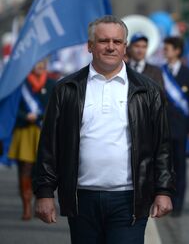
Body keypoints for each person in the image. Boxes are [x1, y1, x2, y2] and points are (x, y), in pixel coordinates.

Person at [34, 15, 174, 243]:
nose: (111, 47)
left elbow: (162, 146)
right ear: (90, 46)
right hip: (82, 200)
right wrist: (44, 192)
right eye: (103, 41)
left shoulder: (149, 91)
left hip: (129, 199)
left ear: (125, 47)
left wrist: (164, 191)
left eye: (117, 42)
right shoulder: (66, 89)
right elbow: (49, 145)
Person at [8, 60, 56, 220]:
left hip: (43, 130)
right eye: (36, 62)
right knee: (25, 168)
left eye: (43, 62)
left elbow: (54, 106)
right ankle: (26, 205)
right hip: (25, 131)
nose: (40, 65)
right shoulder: (20, 84)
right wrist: (24, 116)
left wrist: (39, 116)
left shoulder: (51, 83)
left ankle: (40, 200)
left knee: (43, 168)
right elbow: (12, 107)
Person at [162, 36, 189, 216]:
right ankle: (164, 199)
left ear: (177, 51)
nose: (164, 51)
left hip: (181, 129)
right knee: (163, 167)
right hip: (162, 129)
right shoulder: (159, 72)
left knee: (180, 168)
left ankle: (178, 205)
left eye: (168, 48)